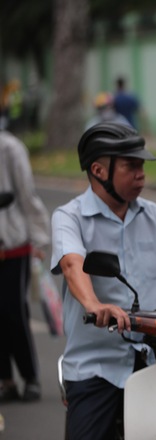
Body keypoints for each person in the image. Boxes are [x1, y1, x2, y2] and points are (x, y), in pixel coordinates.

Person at [50, 122, 156, 439]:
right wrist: (95, 305)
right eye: (130, 166)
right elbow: (71, 263)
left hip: (155, 359)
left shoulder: (152, 214)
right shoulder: (69, 217)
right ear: (98, 170)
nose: (141, 174)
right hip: (96, 365)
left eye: (142, 166)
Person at [0, 129, 50, 403]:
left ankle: (30, 376)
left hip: (12, 246)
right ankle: (6, 380)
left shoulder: (10, 148)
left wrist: (39, 240)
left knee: (12, 312)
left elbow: (26, 194)